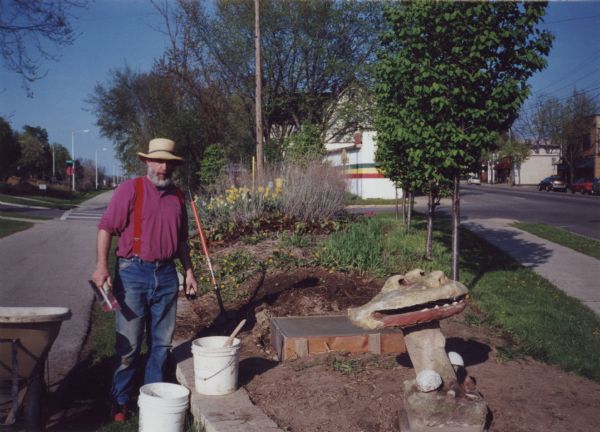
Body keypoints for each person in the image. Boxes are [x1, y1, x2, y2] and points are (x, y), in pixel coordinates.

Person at [91, 137, 198, 422]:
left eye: (168, 163)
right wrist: (102, 266)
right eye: (158, 161)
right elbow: (105, 228)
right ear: (147, 161)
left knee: (161, 345)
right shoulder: (131, 189)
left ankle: (150, 398)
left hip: (165, 275)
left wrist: (188, 271)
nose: (163, 167)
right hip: (133, 272)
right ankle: (120, 399)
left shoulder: (177, 195)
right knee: (129, 344)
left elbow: (181, 241)